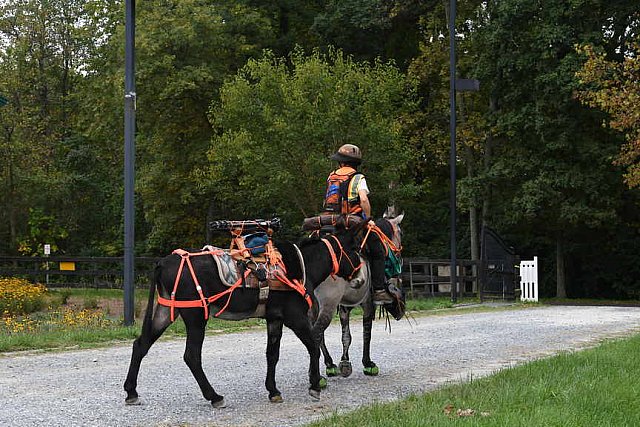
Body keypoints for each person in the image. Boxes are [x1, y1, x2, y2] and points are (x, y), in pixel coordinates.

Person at [322, 143, 394, 305]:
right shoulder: (358, 178)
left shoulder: (331, 177)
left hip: (329, 223)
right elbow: (363, 199)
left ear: (340, 162)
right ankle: (379, 290)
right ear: (355, 163)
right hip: (351, 224)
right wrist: (368, 220)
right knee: (377, 251)